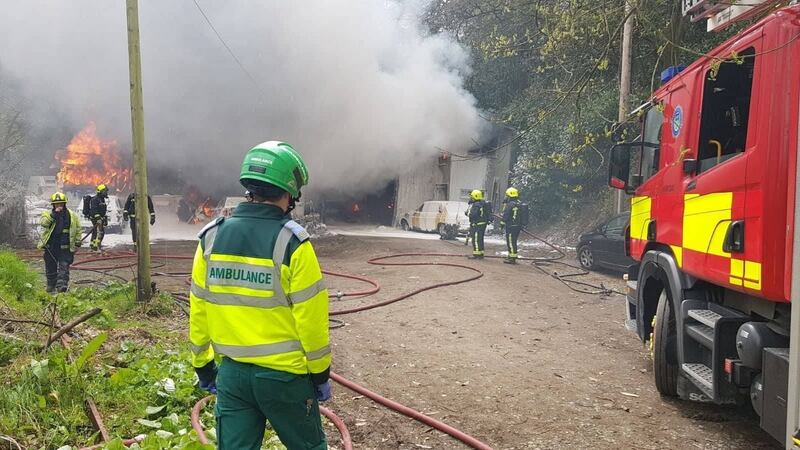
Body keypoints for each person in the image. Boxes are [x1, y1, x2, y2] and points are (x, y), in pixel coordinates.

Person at [189, 141, 331, 450]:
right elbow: (312, 322)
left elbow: (199, 308)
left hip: (232, 376)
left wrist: (202, 364)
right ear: (289, 192)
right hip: (285, 379)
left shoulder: (210, 239)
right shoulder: (293, 244)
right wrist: (320, 375)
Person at [38, 192, 81, 293]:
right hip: (51, 246)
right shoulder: (48, 214)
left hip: (65, 247)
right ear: (53, 205)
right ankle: (51, 286)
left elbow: (78, 229)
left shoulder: (72, 215)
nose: (59, 206)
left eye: (61, 204)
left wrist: (77, 243)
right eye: (57, 204)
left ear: (65, 204)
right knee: (50, 266)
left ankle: (62, 286)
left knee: (64, 266)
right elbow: (44, 223)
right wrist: (54, 215)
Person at [501, 187, 522, 264]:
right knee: (513, 241)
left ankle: (512, 258)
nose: (506, 197)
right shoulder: (519, 204)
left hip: (511, 226)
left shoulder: (510, 205)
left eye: (507, 195)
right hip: (517, 226)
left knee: (510, 241)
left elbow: (506, 215)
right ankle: (511, 256)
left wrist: (502, 224)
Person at [466, 189, 488, 259]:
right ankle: (481, 253)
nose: (471, 198)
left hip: (477, 224)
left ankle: (476, 254)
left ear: (475, 196)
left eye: (472, 197)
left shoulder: (476, 205)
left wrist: (468, 213)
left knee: (475, 239)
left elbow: (473, 215)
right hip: (483, 224)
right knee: (480, 239)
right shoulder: (482, 203)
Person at [87, 184, 109, 251]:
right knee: (100, 232)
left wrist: (104, 218)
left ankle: (93, 246)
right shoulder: (95, 199)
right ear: (101, 191)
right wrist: (98, 218)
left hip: (100, 218)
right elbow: (94, 210)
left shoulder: (101, 199)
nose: (106, 193)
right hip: (96, 219)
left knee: (96, 232)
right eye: (105, 191)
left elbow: (102, 210)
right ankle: (96, 247)